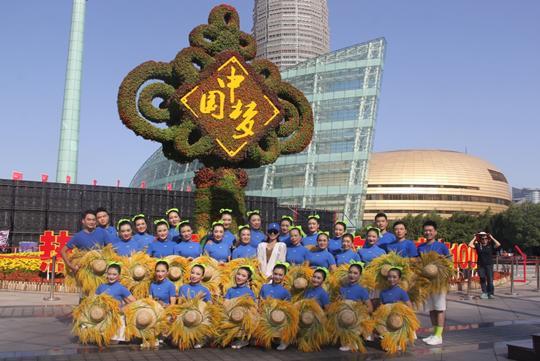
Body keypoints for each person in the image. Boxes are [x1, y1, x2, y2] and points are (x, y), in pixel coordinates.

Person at [417, 220, 450, 346]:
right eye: (426, 230)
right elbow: (418, 262)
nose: (428, 232)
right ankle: (434, 333)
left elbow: (449, 261)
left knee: (440, 308)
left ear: (435, 232)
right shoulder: (420, 247)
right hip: (426, 282)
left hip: (439, 282)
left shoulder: (441, 246)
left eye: (430, 230)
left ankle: (438, 335)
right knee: (431, 309)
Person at [259, 262, 292, 351]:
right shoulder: (264, 287)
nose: (277, 277)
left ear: (284, 276)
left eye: (280, 275)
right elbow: (260, 301)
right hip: (265, 315)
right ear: (272, 273)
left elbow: (288, 310)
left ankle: (283, 339)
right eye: (275, 274)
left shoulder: (286, 291)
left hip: (278, 317)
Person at [224, 266, 257, 349]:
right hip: (231, 317)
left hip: (243, 319)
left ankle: (243, 339)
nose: (239, 277)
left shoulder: (249, 292)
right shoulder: (230, 290)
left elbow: (252, 309)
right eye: (238, 274)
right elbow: (225, 304)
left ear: (248, 279)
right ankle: (232, 336)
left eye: (243, 276)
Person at [468, 232, 501, 299]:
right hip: (481, 265)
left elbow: (498, 244)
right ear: (481, 239)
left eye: (485, 238)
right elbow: (470, 244)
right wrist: (475, 237)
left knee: (490, 279)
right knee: (482, 278)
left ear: (487, 239)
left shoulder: (490, 245)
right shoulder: (478, 246)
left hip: (489, 265)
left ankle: (490, 293)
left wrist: (491, 237)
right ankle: (484, 292)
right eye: (482, 239)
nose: (484, 240)